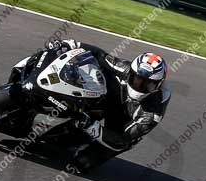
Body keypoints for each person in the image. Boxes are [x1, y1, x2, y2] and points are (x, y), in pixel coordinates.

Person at [48, 39, 171, 172]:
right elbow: (100, 55)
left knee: (81, 164)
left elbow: (122, 140)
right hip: (113, 100)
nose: (139, 85)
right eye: (136, 79)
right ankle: (63, 120)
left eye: (147, 84)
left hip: (124, 124)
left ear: (157, 86)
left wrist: (89, 124)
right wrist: (70, 44)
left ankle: (85, 140)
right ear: (131, 73)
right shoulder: (125, 68)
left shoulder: (152, 114)